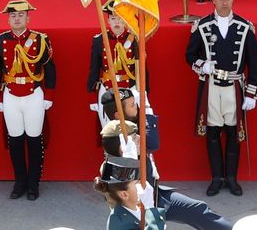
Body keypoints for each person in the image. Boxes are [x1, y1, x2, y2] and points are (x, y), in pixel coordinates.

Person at [185, 0, 257, 196]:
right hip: (212, 87)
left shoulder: (245, 27)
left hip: (235, 87)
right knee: (214, 133)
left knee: (233, 133)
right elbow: (189, 55)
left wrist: (251, 94)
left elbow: (254, 63)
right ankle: (216, 178)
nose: (225, 2)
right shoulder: (202, 26)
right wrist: (201, 65)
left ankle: (232, 178)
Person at [100, 94, 234, 229]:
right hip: (137, 211)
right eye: (135, 138)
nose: (141, 140)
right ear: (123, 147)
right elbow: (152, 144)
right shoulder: (113, 168)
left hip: (157, 196)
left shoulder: (128, 131)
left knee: (198, 210)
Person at [0, 0, 55, 200]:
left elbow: (50, 68)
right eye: (12, 15)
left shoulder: (41, 39)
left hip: (34, 93)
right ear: (8, 19)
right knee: (15, 141)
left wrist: (49, 95)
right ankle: (19, 182)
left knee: (35, 140)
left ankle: (33, 183)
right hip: (10, 95)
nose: (16, 19)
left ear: (28, 17)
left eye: (20, 15)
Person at [87, 0, 148, 128]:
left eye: (120, 19)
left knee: (131, 129)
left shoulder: (135, 39)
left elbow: (143, 69)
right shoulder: (99, 40)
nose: (117, 22)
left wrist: (144, 91)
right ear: (108, 20)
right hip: (107, 89)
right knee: (109, 131)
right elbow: (94, 69)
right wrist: (92, 96)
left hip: (129, 89)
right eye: (113, 19)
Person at [93, 150, 166, 230]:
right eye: (137, 183)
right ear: (124, 194)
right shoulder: (119, 224)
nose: (142, 185)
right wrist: (150, 208)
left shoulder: (136, 209)